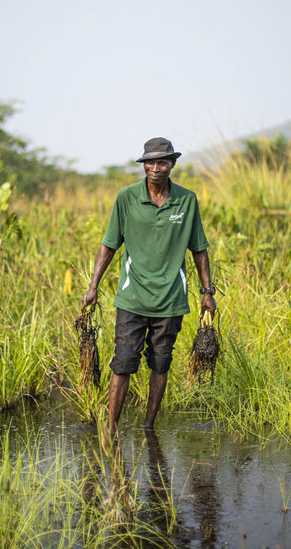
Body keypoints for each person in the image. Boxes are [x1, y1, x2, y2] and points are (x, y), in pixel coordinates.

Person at [82, 137, 216, 436]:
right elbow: (109, 245)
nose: (156, 167)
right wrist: (93, 287)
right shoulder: (126, 198)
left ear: (172, 165)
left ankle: (148, 427)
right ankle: (111, 428)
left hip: (170, 300)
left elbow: (199, 249)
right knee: (124, 362)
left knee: (161, 363)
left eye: (163, 162)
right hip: (133, 298)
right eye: (151, 162)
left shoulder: (186, 200)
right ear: (144, 166)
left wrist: (208, 293)